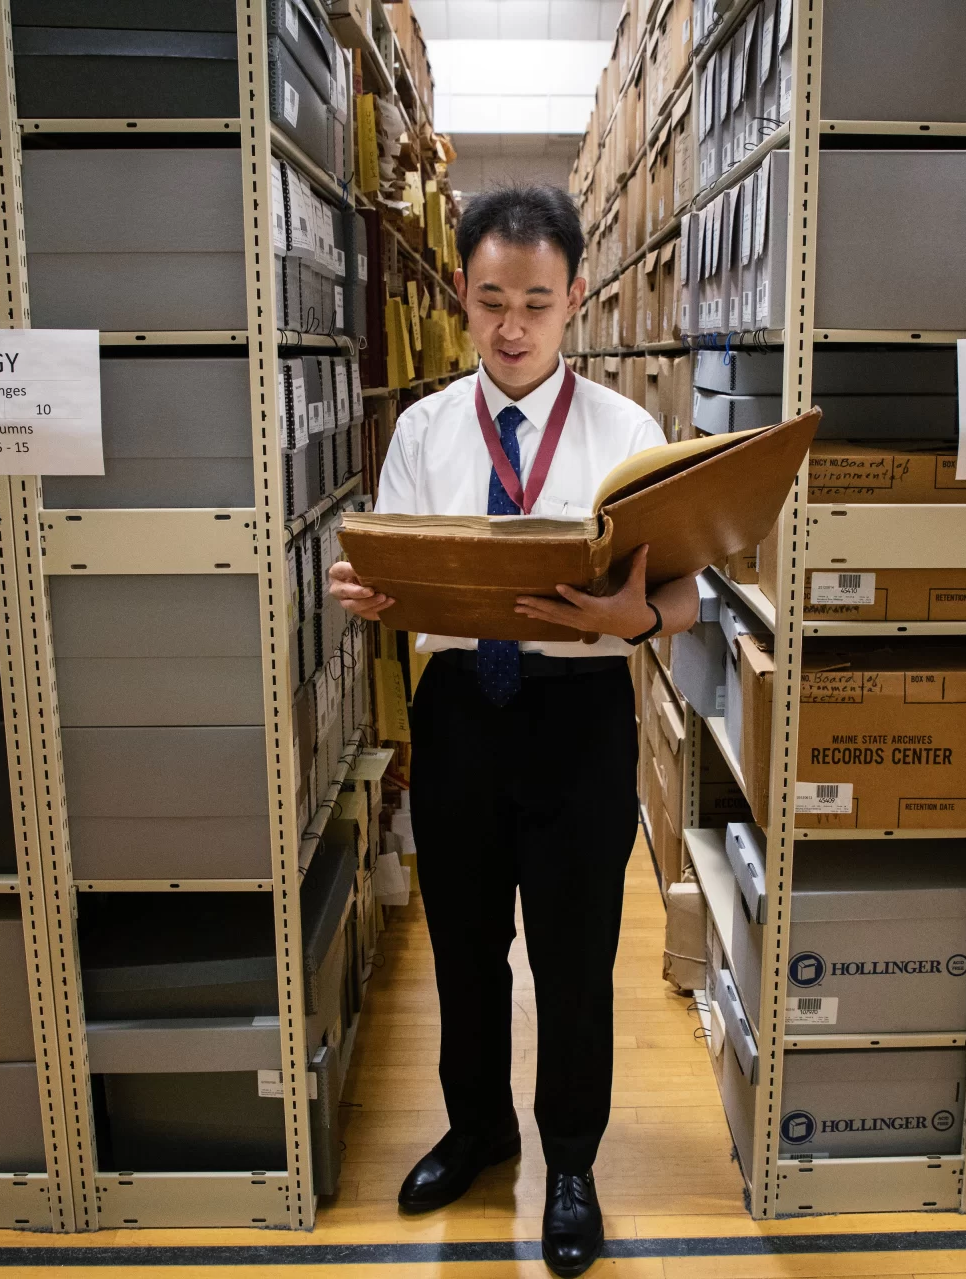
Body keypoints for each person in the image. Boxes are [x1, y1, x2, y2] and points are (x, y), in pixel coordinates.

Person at [328, 184, 697, 1277]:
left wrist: (639, 618)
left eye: (535, 301)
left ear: (575, 296)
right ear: (460, 290)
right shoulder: (424, 431)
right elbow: (387, 566)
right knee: (465, 951)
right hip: (458, 719)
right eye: (489, 298)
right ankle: (478, 1126)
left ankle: (570, 1163)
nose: (509, 324)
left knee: (576, 958)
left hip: (579, 717)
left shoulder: (626, 435)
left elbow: (682, 594)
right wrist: (369, 595)